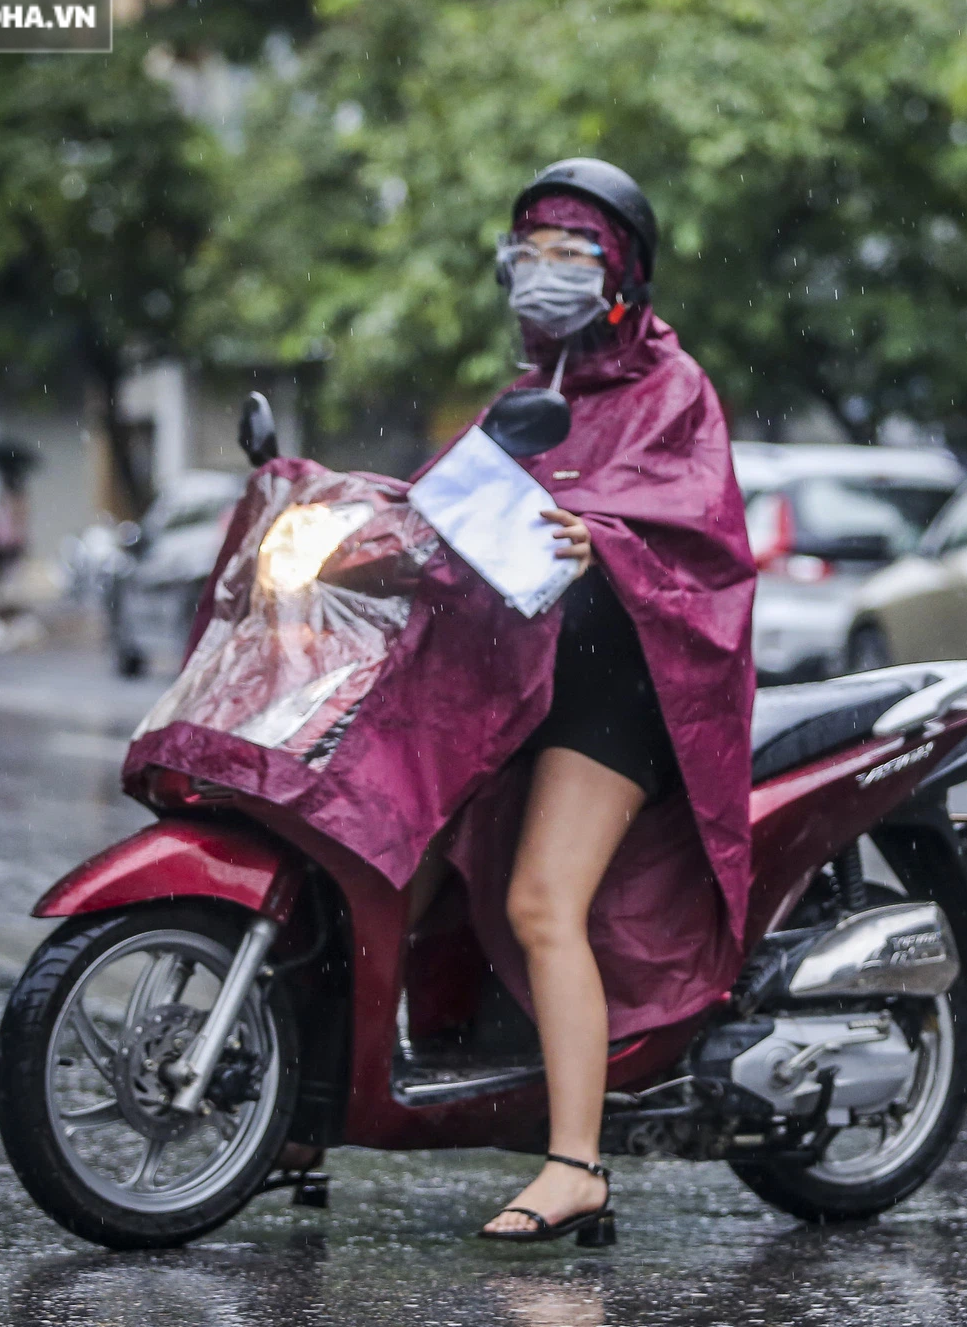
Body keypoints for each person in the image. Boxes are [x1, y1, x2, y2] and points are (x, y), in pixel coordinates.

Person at [408, 158, 756, 1242]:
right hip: (520, 681)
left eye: (573, 253)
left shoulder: (673, 390)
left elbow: (699, 547)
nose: (545, 272)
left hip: (628, 690)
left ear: (622, 276)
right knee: (393, 850)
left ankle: (575, 1165)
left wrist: (596, 541)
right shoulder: (527, 399)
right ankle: (313, 1109)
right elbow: (444, 517)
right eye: (532, 251)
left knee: (537, 902)